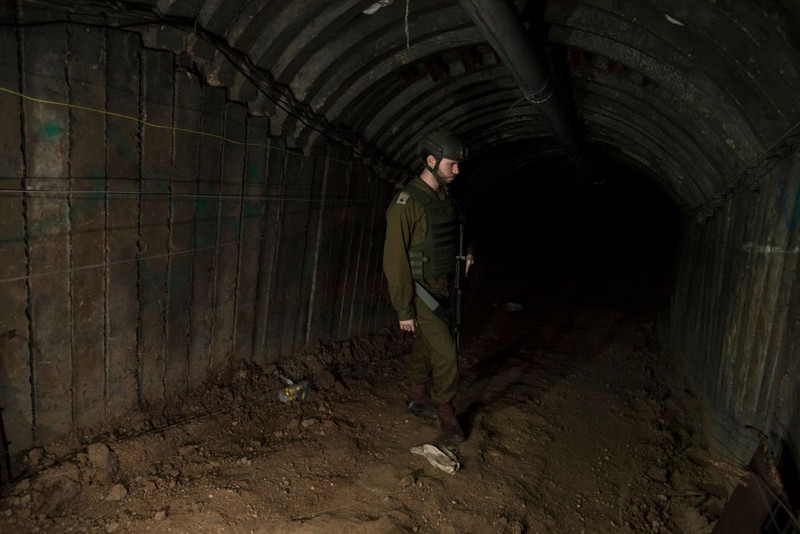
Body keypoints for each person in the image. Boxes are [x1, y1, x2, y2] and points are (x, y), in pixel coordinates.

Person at [382, 129, 474, 443]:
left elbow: (455, 228)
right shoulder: (406, 203)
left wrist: (468, 252)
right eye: (452, 164)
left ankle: (418, 392)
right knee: (447, 353)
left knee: (428, 342)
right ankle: (445, 407)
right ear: (432, 161)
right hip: (420, 289)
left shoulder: (442, 196)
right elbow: (394, 260)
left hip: (443, 285)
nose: (457, 171)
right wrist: (404, 309)